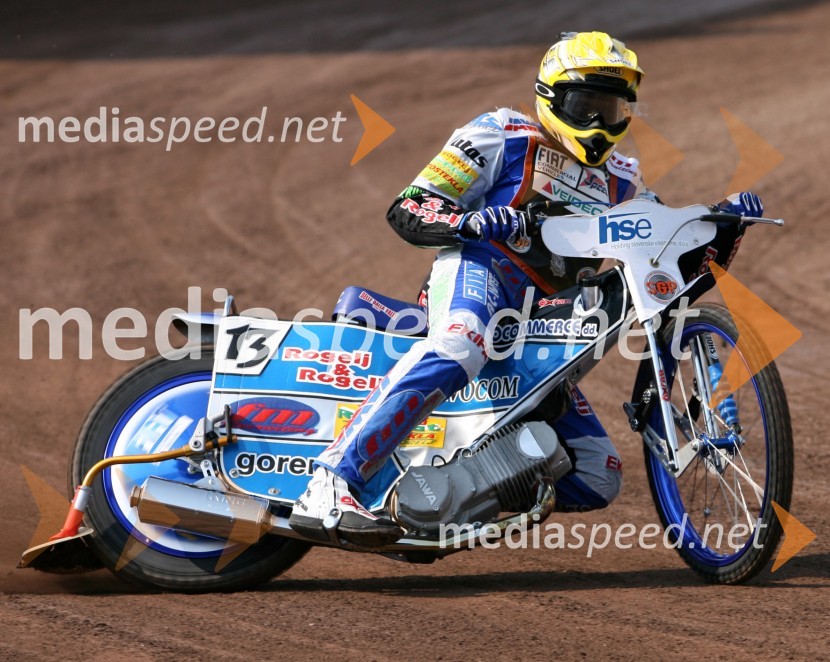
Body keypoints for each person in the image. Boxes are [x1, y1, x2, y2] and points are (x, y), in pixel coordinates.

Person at [289, 31, 763, 546]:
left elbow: (659, 249)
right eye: (586, 107)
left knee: (597, 475)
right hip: (481, 272)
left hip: (542, 319)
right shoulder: (501, 133)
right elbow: (409, 206)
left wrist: (719, 221)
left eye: (613, 108)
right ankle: (332, 482)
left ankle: (433, 500)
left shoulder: (625, 179)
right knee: (461, 340)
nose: (601, 124)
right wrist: (472, 222)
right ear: (552, 100)